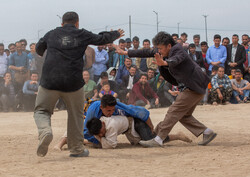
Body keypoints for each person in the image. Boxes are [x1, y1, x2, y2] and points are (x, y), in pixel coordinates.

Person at [34, 11, 123, 157]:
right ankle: (76, 149)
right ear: (77, 23)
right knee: (76, 115)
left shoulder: (51, 34)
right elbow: (101, 39)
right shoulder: (82, 34)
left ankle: (45, 131)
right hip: (73, 82)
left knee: (41, 110)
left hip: (50, 80)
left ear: (61, 24)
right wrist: (115, 35)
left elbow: (39, 49)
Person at [114, 31, 216, 147]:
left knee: (173, 112)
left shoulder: (178, 49)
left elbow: (177, 59)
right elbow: (146, 52)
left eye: (161, 49)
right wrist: (126, 52)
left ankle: (158, 139)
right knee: (183, 115)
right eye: (157, 48)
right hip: (191, 86)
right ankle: (207, 132)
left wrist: (165, 62)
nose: (159, 51)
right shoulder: (161, 50)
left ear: (169, 46)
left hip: (194, 85)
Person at [55, 94, 156, 150]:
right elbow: (86, 130)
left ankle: (85, 142)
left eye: (113, 110)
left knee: (146, 140)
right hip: (89, 122)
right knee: (78, 126)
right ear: (101, 107)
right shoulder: (94, 110)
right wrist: (99, 139)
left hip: (127, 125)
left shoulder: (118, 107)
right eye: (108, 111)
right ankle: (60, 144)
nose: (111, 113)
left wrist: (151, 127)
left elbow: (142, 113)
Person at [86, 115, 191, 149]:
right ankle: (159, 130)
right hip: (130, 127)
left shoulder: (111, 125)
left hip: (136, 124)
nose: (100, 134)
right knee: (145, 141)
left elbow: (111, 145)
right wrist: (99, 137)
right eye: (97, 134)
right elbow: (103, 139)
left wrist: (99, 138)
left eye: (100, 132)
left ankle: (177, 136)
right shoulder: (100, 125)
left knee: (151, 141)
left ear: (103, 124)